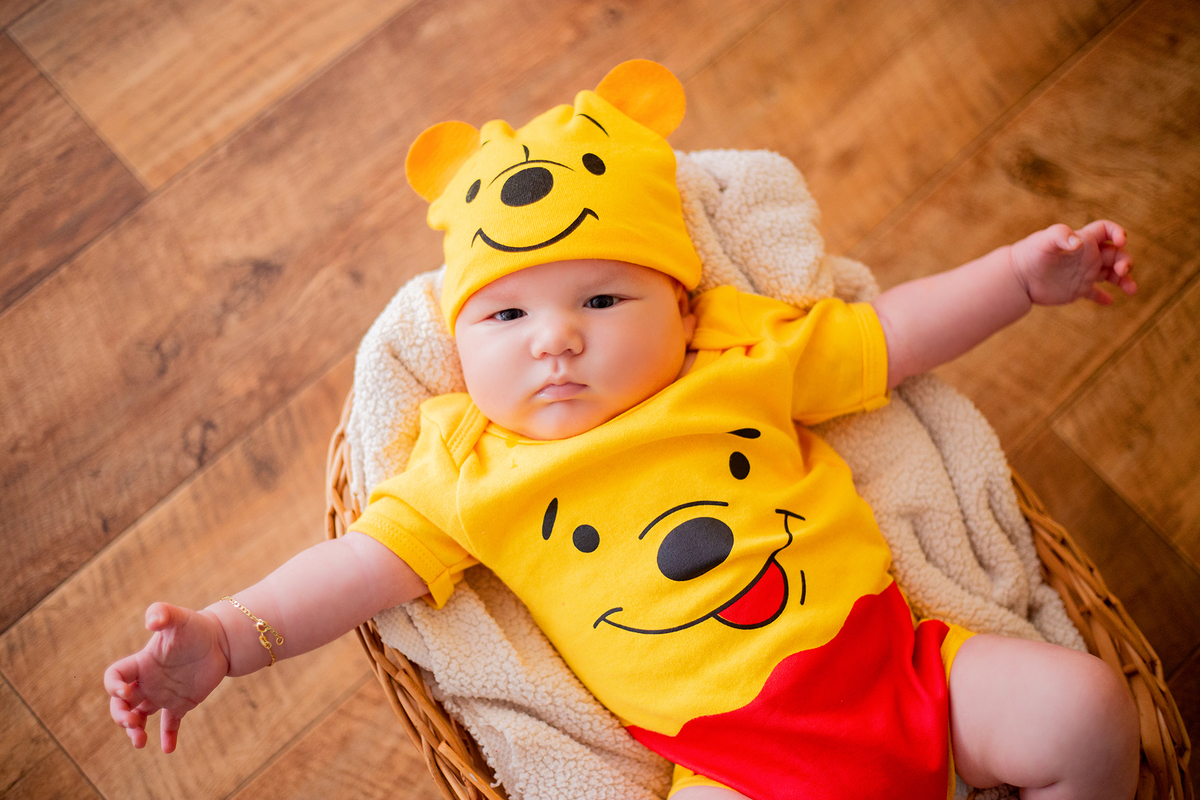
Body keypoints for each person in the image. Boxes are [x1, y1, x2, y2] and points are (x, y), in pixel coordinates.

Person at [105, 61, 1139, 800]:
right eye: (506, 316)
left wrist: (1018, 278)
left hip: (907, 674)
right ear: (461, 348)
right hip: (736, 766)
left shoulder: (738, 354)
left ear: (684, 307)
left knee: (1086, 708)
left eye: (602, 300)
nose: (554, 339)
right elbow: (347, 572)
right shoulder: (464, 468)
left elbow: (896, 332)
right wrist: (229, 638)